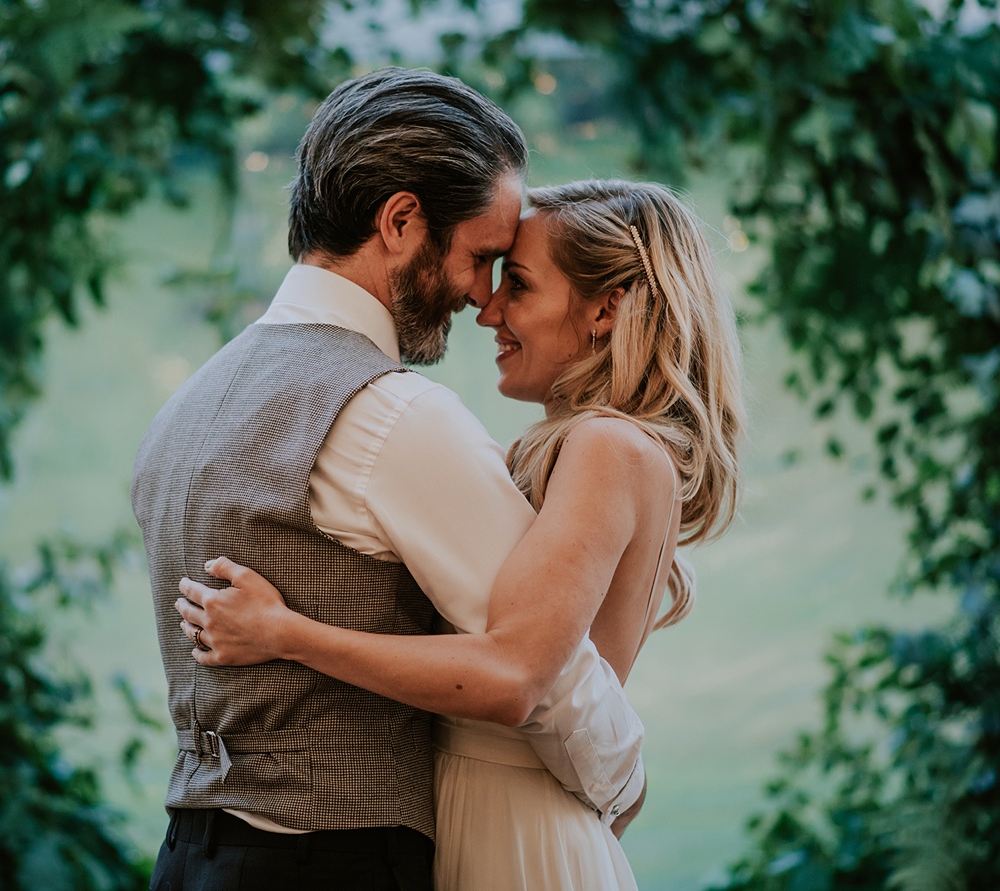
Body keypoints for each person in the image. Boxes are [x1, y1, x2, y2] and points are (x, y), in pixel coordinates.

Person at [131, 68, 648, 891]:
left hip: (191, 858)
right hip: (328, 864)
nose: (482, 296)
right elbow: (544, 677)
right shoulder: (388, 414)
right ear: (401, 220)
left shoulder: (184, 409)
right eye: (481, 257)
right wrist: (624, 782)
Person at [177, 179, 747, 889]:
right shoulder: (560, 450)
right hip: (477, 803)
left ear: (604, 308)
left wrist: (284, 634)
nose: (489, 310)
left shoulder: (608, 447)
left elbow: (511, 677)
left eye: (521, 285)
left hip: (515, 824)